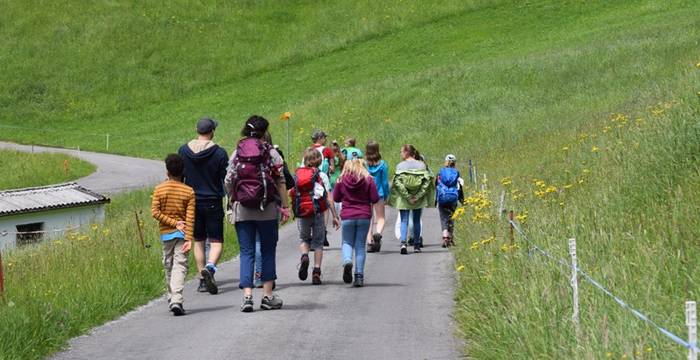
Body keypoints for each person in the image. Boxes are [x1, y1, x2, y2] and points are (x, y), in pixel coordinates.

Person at [225, 115, 290, 312]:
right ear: (265, 132)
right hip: (267, 210)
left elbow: (228, 180)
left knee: (246, 252)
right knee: (268, 251)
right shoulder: (272, 153)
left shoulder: (237, 153)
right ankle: (267, 296)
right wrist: (285, 206)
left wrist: (233, 200)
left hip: (243, 210)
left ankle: (247, 297)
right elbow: (281, 181)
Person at [178, 118, 229, 295]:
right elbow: (225, 179)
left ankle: (201, 279)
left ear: (196, 130)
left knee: (198, 240)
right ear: (212, 131)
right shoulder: (220, 153)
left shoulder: (183, 151)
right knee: (216, 241)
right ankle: (210, 267)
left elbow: (180, 176)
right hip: (213, 201)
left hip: (191, 202)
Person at [151, 154, 195, 316]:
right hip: (183, 234)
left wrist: (171, 223)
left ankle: (172, 297)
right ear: (182, 171)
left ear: (167, 171)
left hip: (166, 235)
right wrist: (188, 237)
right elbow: (190, 217)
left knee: (168, 264)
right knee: (180, 265)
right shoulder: (189, 191)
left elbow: (155, 212)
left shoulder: (159, 189)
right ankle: (176, 298)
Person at [290, 148, 340, 285]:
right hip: (318, 212)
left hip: (302, 213)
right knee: (318, 243)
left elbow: (292, 193)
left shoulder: (298, 174)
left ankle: (305, 256)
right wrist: (335, 216)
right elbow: (329, 198)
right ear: (319, 161)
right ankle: (316, 271)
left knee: (304, 239)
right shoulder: (321, 175)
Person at [333, 159, 379, 287]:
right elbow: (375, 198)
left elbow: (336, 198)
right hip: (364, 215)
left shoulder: (341, 180)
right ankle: (359, 276)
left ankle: (347, 260)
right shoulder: (368, 179)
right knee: (360, 245)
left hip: (347, 216)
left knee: (347, 242)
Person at [388, 144, 435, 254]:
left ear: (406, 152)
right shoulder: (422, 165)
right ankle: (417, 245)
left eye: (401, 152)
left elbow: (397, 182)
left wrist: (407, 196)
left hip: (404, 199)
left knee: (404, 220)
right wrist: (418, 195)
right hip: (418, 198)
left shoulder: (400, 166)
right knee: (416, 220)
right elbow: (427, 182)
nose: (400, 154)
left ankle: (403, 243)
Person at [365, 140, 390, 253]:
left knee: (368, 218)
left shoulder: (364, 164)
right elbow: (385, 182)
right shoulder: (382, 164)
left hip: (365, 194)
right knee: (381, 217)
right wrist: (386, 195)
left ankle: (369, 242)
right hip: (378, 193)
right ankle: (378, 234)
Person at [436, 154, 465, 248]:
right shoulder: (456, 173)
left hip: (442, 197)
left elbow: (436, 186)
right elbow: (459, 187)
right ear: (454, 163)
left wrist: (435, 200)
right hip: (453, 198)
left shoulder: (440, 172)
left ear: (446, 162)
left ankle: (445, 236)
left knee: (443, 217)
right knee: (451, 217)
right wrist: (462, 200)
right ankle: (451, 237)